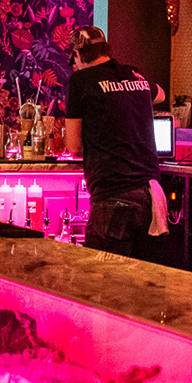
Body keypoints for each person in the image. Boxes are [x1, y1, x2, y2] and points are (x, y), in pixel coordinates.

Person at [62, 25, 169, 260]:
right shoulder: (134, 75)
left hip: (113, 196)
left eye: (74, 60)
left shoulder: (80, 81)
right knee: (141, 278)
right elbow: (160, 94)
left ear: (77, 55)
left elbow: (74, 146)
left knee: (105, 277)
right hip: (151, 197)